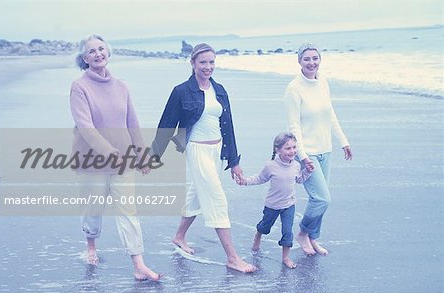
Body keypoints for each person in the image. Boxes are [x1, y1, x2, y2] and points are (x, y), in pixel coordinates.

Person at [151, 43, 257, 273]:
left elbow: (228, 127)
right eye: (203, 62)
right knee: (217, 200)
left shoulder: (219, 90)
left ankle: (179, 236)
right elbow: (167, 124)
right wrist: (154, 155)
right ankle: (232, 257)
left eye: (211, 62)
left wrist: (234, 161)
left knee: (197, 196)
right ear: (192, 63)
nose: (208, 67)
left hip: (217, 151)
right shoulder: (181, 91)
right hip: (197, 149)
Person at [70, 34, 161, 281]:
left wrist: (141, 156)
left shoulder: (122, 86)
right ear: (84, 59)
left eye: (101, 49)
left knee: (128, 211)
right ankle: (91, 246)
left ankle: (139, 264)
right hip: (92, 161)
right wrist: (111, 153)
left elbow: (132, 122)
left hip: (124, 162)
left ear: (108, 52)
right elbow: (85, 126)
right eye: (91, 51)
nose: (98, 53)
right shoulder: (79, 87)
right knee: (93, 209)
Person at [284, 42, 353, 256]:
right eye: (307, 59)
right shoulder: (294, 89)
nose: (311, 62)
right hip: (308, 153)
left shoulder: (323, 82)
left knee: (321, 199)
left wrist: (343, 141)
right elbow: (293, 126)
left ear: (320, 60)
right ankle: (303, 234)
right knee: (321, 198)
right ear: (299, 61)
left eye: (315, 58)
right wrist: (303, 157)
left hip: (326, 149)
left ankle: (313, 238)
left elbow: (330, 114)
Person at [237, 132, 313, 268]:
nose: (292, 151)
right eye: (288, 148)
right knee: (265, 227)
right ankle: (258, 235)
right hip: (272, 205)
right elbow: (260, 178)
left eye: (294, 147)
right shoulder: (270, 166)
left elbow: (300, 180)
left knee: (287, 231)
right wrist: (245, 181)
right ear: (277, 150)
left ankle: (285, 257)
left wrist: (307, 171)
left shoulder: (296, 165)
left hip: (289, 205)